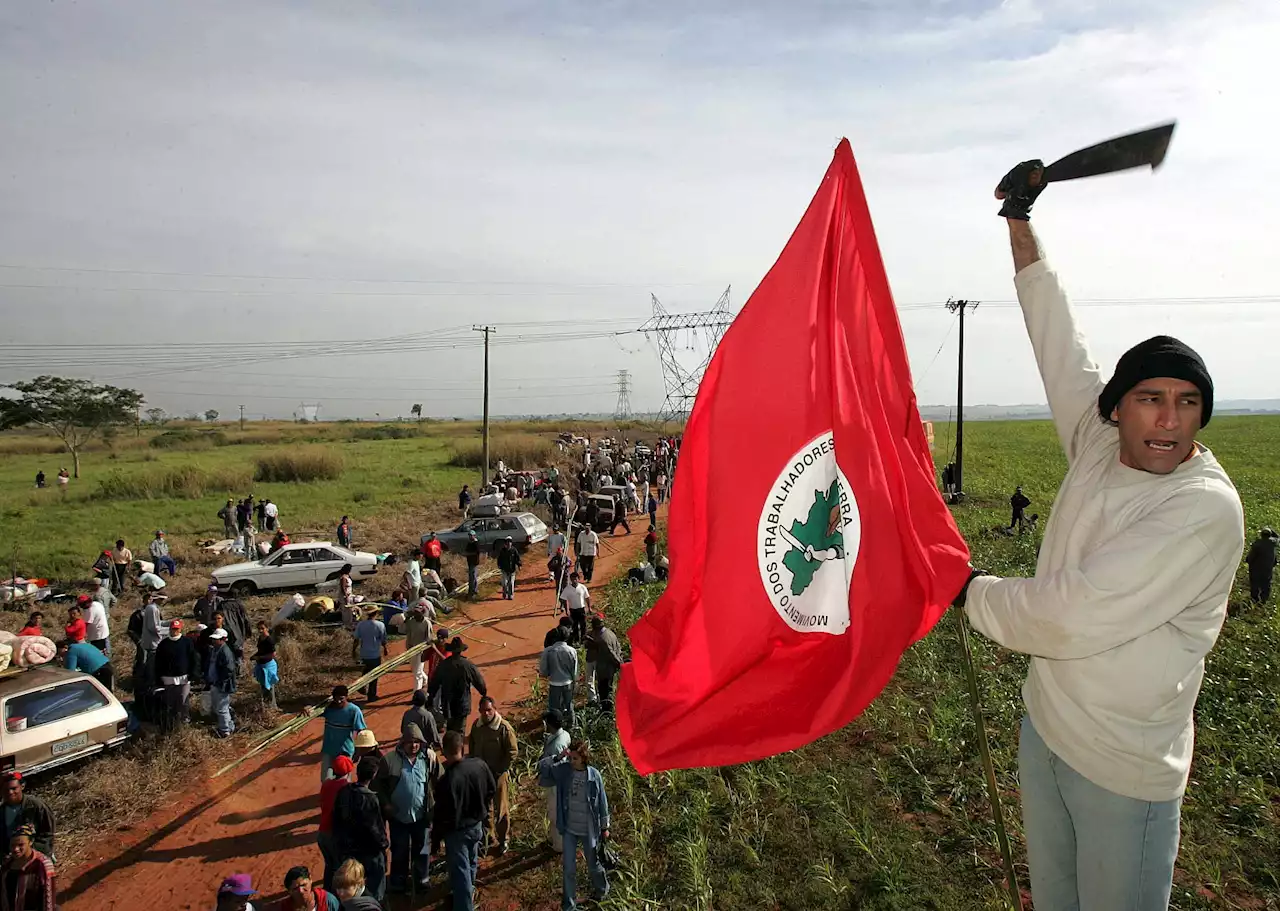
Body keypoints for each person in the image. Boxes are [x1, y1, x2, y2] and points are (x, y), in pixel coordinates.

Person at [956, 168, 1245, 911]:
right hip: (1046, 729)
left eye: (1188, 404)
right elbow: (1055, 333)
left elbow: (1071, 613)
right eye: (1151, 399)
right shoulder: (1094, 441)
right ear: (1118, 409)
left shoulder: (1201, 509)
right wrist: (1018, 219)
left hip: (1123, 766)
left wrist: (969, 591)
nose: (1170, 421)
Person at [539, 740, 610, 911]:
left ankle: (602, 890)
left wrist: (604, 827)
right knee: (569, 869)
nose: (572, 762)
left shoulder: (594, 776)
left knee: (594, 865)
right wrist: (558, 757)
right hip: (569, 828)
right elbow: (541, 768)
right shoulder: (564, 771)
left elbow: (602, 803)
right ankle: (569, 905)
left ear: (584, 758)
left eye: (575, 758)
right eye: (570, 758)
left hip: (589, 829)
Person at [373, 725, 441, 894]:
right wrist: (386, 804)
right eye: (410, 742)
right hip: (398, 818)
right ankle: (398, 883)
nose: (413, 745)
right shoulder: (389, 760)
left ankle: (422, 880)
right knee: (399, 850)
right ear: (402, 742)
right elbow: (377, 786)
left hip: (422, 817)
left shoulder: (428, 759)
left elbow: (442, 779)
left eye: (417, 742)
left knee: (423, 849)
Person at [434, 730, 494, 911]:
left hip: (457, 832)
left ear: (444, 751)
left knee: (461, 874)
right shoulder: (479, 765)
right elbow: (491, 789)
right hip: (476, 825)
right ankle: (470, 892)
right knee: (471, 862)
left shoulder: (446, 781)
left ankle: (464, 905)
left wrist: (436, 838)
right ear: (462, 747)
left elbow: (441, 814)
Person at [331, 756, 387, 903]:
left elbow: (336, 820)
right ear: (374, 775)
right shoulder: (370, 799)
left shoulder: (344, 792)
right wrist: (384, 844)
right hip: (369, 851)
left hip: (349, 851)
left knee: (352, 887)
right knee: (376, 886)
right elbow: (375, 828)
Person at [468, 697, 518, 856]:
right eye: (483, 710)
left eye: (489, 710)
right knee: (485, 809)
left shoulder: (504, 728)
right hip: (482, 777)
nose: (486, 713)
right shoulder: (477, 726)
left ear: (494, 709)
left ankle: (504, 839)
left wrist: (500, 770)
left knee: (501, 809)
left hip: (498, 776)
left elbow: (512, 752)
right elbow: (472, 747)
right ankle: (488, 839)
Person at [428, 638, 488, 734]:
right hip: (462, 703)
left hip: (447, 704)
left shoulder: (443, 665)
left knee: (450, 729)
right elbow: (479, 681)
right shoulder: (467, 665)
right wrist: (483, 693)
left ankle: (451, 745)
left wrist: (430, 698)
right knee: (460, 731)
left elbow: (434, 683)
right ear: (461, 651)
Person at [317, 755, 355, 892]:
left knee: (330, 866)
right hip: (336, 835)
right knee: (340, 869)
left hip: (323, 833)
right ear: (349, 771)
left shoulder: (326, 785)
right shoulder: (347, 789)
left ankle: (327, 894)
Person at [1, 824, 55, 911]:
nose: (15, 849)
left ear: (31, 842)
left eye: (20, 845)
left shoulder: (43, 865)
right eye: (12, 845)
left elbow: (48, 901)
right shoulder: (6, 866)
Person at [0, 775, 54, 860]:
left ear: (22, 786)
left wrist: (34, 852)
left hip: (36, 856)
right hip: (12, 858)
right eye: (6, 790)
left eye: (14, 788)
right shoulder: (2, 811)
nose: (10, 792)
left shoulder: (36, 806)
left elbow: (47, 834)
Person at [321, 686, 367, 782]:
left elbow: (360, 731)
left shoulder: (354, 711)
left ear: (346, 697)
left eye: (341, 699)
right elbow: (313, 711)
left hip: (344, 751)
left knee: (344, 780)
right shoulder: (328, 708)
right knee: (325, 779)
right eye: (336, 699)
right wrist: (308, 709)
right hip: (328, 750)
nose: (338, 701)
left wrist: (358, 751)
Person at [539, 711, 571, 852]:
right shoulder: (565, 735)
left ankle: (559, 846)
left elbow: (558, 768)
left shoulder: (556, 746)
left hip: (556, 785)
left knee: (555, 815)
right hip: (559, 784)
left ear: (550, 725)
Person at [155, 619, 196, 728]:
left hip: (184, 677)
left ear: (180, 629)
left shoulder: (187, 642)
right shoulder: (163, 644)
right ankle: (172, 721)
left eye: (177, 629)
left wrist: (193, 673)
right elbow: (158, 662)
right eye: (173, 629)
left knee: (183, 700)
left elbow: (193, 658)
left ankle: (185, 720)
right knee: (170, 701)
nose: (174, 631)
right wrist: (158, 677)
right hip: (168, 678)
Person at [538, 627, 577, 731]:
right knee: (569, 705)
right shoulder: (572, 651)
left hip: (554, 683)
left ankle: (555, 727)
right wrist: (574, 682)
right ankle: (571, 726)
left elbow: (543, 671)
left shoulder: (548, 651)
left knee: (554, 707)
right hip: (568, 682)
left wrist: (546, 674)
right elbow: (574, 670)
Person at [207, 628, 238, 738]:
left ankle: (225, 731)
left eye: (217, 639)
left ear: (224, 639)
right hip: (216, 683)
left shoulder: (225, 652)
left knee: (222, 708)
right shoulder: (216, 650)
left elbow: (229, 669)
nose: (214, 641)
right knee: (219, 707)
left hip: (221, 685)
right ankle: (229, 726)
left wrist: (221, 682)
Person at [589, 615, 624, 713]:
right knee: (609, 688)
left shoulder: (603, 639)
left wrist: (620, 664)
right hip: (609, 668)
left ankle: (607, 711)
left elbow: (611, 654)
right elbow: (618, 647)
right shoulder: (610, 633)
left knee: (604, 690)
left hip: (605, 669)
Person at [353, 607, 388, 701]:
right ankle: (371, 695)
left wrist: (353, 651)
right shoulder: (380, 625)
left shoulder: (361, 624)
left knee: (366, 670)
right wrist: (385, 649)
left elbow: (356, 639)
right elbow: (383, 639)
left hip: (364, 653)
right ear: (376, 613)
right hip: (375, 654)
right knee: (374, 675)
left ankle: (362, 685)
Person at [274, 865, 339, 911]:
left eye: (304, 885)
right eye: (295, 889)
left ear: (310, 879)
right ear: (289, 891)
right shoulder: (284, 908)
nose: (301, 891)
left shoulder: (328, 901)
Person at [403, 600, 434, 693]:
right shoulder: (411, 622)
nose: (415, 614)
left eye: (417, 612)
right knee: (415, 669)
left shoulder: (427, 623)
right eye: (415, 612)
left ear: (422, 613)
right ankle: (425, 679)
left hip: (421, 650)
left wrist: (425, 651)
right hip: (411, 648)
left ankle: (417, 692)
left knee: (417, 673)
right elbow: (406, 632)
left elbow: (429, 638)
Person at [1246, 527, 1278, 604]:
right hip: (1267, 569)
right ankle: (1263, 601)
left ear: (1261, 535)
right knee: (1266, 585)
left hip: (1256, 569)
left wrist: (1248, 561)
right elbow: (1277, 537)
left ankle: (1254, 600)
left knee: (1255, 585)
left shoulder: (1257, 544)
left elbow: (1251, 557)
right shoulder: (1273, 544)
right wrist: (1271, 530)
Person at [253, 620, 279, 711]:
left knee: (269, 687)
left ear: (267, 628)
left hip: (268, 665)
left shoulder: (269, 640)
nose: (260, 630)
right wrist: (255, 656)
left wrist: (259, 657)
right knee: (263, 686)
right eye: (259, 629)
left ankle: (272, 707)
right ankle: (267, 706)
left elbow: (273, 654)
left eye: (262, 628)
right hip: (261, 665)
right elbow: (260, 650)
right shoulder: (260, 638)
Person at [561, 572, 591, 647]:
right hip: (573, 610)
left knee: (583, 625)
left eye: (575, 579)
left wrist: (589, 607)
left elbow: (587, 598)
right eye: (572, 579)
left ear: (578, 579)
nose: (574, 580)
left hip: (581, 609)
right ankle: (576, 640)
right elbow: (564, 599)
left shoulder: (582, 587)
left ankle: (583, 640)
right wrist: (566, 609)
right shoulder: (567, 589)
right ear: (570, 580)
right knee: (574, 626)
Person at [462, 532, 481, 598]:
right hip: (470, 562)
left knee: (473, 577)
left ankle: (474, 591)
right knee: (471, 577)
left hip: (474, 562)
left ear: (474, 536)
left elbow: (477, 552)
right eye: (469, 535)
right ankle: (471, 591)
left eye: (471, 535)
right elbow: (466, 550)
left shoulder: (476, 543)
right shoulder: (469, 543)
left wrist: (468, 554)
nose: (470, 537)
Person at [336, 565, 355, 630]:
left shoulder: (348, 576)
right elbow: (343, 588)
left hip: (349, 595)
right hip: (345, 596)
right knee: (346, 611)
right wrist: (345, 596)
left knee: (350, 610)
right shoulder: (343, 578)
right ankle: (346, 625)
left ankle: (350, 623)